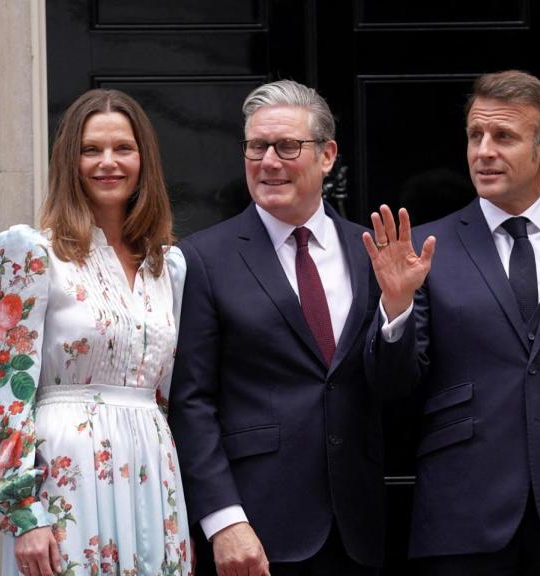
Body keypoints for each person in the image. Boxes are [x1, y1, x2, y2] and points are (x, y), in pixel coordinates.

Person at [365, 70, 540, 575]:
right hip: (461, 514)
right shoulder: (427, 250)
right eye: (475, 135)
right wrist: (396, 307)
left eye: (504, 136)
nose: (483, 151)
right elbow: (393, 389)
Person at [169, 79, 397, 575]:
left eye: (288, 146)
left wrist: (398, 309)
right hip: (253, 531)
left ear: (328, 154)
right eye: (256, 146)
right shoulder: (202, 259)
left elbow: (397, 387)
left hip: (358, 532)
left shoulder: (372, 252)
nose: (269, 161)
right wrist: (224, 519)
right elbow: (190, 401)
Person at [0, 89, 191, 576]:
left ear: (144, 160)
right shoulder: (32, 251)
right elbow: (10, 389)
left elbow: (166, 394)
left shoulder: (168, 266)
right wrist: (22, 511)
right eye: (91, 149)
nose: (107, 163)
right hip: (65, 474)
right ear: (68, 160)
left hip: (152, 470)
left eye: (123, 149)